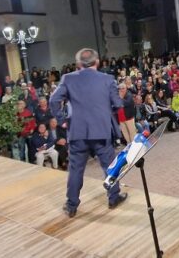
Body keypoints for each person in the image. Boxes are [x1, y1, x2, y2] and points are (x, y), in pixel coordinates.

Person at [49, 48, 126, 218]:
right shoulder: (107, 79)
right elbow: (117, 104)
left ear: (78, 64)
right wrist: (104, 111)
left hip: (78, 131)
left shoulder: (68, 79)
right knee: (110, 167)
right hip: (101, 130)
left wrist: (62, 119)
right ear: (97, 62)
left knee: (76, 169)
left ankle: (71, 206)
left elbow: (54, 100)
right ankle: (113, 197)